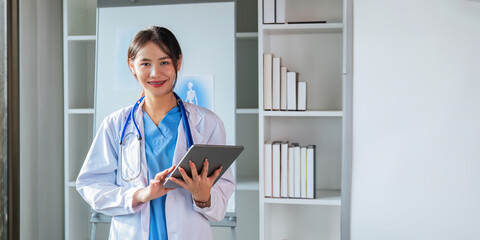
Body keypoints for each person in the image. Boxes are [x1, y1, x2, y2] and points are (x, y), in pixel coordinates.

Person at [76, 26, 235, 240]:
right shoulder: (115, 125)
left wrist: (204, 196)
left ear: (178, 63)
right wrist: (141, 194)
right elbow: (90, 185)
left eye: (164, 62)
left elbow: (223, 189)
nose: (155, 73)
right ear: (131, 66)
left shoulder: (207, 123)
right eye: (145, 64)